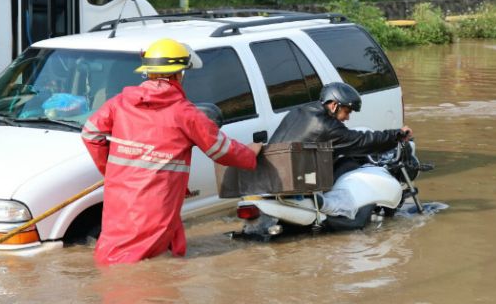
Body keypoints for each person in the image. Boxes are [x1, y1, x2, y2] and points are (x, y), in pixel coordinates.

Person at [81, 38, 262, 265]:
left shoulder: (119, 103)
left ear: (148, 73)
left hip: (120, 197)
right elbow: (221, 150)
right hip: (157, 200)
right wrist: (250, 154)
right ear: (178, 75)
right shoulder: (185, 112)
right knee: (140, 260)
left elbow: (90, 134)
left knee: (116, 250)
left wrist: (112, 172)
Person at [269, 81, 412, 218]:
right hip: (297, 182)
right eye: (347, 111)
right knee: (349, 166)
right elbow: (362, 141)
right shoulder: (328, 127)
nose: (347, 118)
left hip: (272, 176)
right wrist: (396, 135)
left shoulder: (300, 111)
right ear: (334, 105)